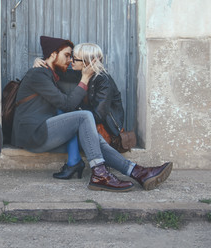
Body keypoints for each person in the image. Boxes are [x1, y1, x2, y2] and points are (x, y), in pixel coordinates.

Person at [12, 36, 172, 192]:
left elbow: (77, 95)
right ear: (53, 54)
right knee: (84, 117)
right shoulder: (39, 74)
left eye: (73, 57)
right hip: (33, 133)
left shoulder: (52, 74)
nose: (69, 61)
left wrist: (81, 76)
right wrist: (82, 77)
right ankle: (99, 173)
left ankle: (137, 172)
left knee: (92, 135)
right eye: (67, 56)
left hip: (43, 131)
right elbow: (68, 104)